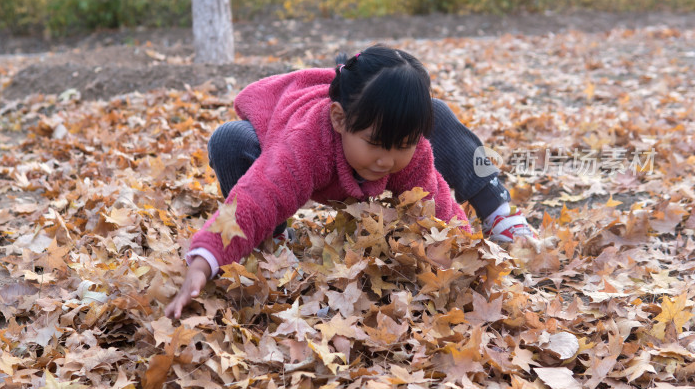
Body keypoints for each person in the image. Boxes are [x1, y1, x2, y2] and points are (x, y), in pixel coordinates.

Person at [164, 44, 533, 319]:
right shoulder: (306, 144)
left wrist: (468, 256)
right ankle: (271, 240)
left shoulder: (408, 152)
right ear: (339, 120)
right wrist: (204, 261)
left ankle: (499, 210)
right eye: (376, 144)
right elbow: (256, 197)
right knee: (230, 140)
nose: (387, 160)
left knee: (438, 113)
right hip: (283, 138)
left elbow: (436, 207)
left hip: (367, 131)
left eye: (401, 146)